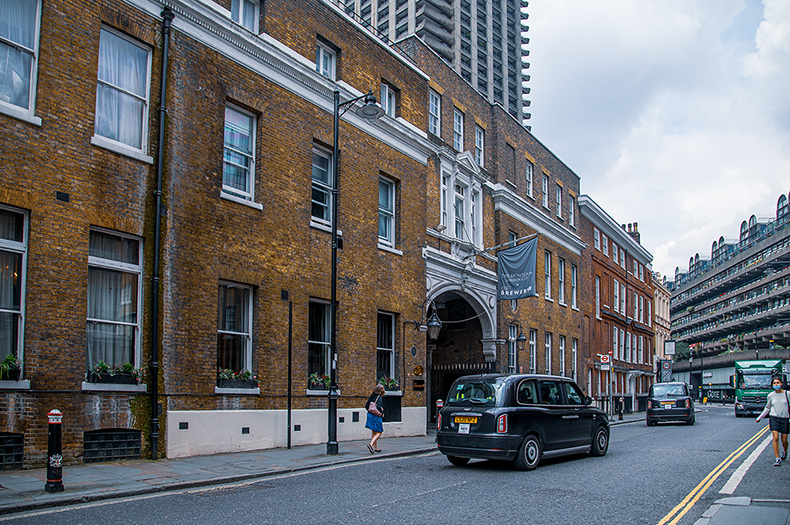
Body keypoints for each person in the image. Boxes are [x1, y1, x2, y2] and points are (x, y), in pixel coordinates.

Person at [755, 376, 789, 466]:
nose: (776, 384)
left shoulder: (787, 394)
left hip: (785, 418)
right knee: (775, 437)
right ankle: (777, 458)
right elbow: (767, 408)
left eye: (778, 383)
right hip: (774, 418)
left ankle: (785, 451)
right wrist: (759, 418)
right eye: (774, 383)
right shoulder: (771, 396)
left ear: (781, 384)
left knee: (784, 440)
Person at [365, 384, 385, 454]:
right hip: (376, 416)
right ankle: (371, 444)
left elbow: (366, 406)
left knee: (374, 431)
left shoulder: (371, 396)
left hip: (370, 415)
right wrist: (381, 413)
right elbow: (379, 407)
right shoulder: (379, 397)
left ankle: (375, 448)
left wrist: (371, 411)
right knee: (379, 432)